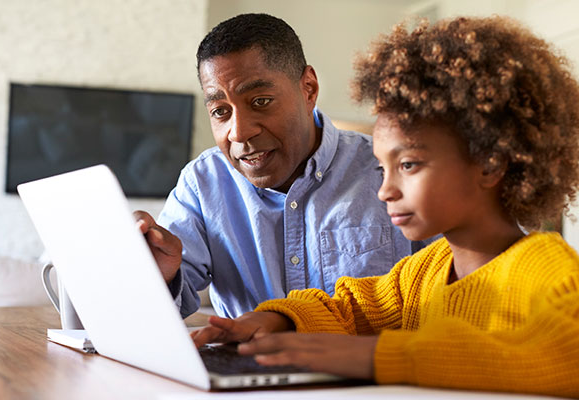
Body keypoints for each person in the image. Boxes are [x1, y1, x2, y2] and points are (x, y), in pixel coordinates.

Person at [190, 16, 579, 397]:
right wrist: (279, 318)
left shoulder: (546, 268)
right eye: (383, 167)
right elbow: (352, 308)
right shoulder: (424, 272)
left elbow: (565, 357)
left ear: (490, 163)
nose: (385, 190)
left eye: (408, 165)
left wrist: (380, 355)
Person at [135, 13, 430, 319]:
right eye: (220, 111)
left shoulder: (388, 170)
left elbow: (448, 288)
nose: (239, 132)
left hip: (370, 365)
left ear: (309, 89)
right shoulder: (202, 183)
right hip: (247, 366)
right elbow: (156, 309)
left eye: (261, 101)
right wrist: (161, 276)